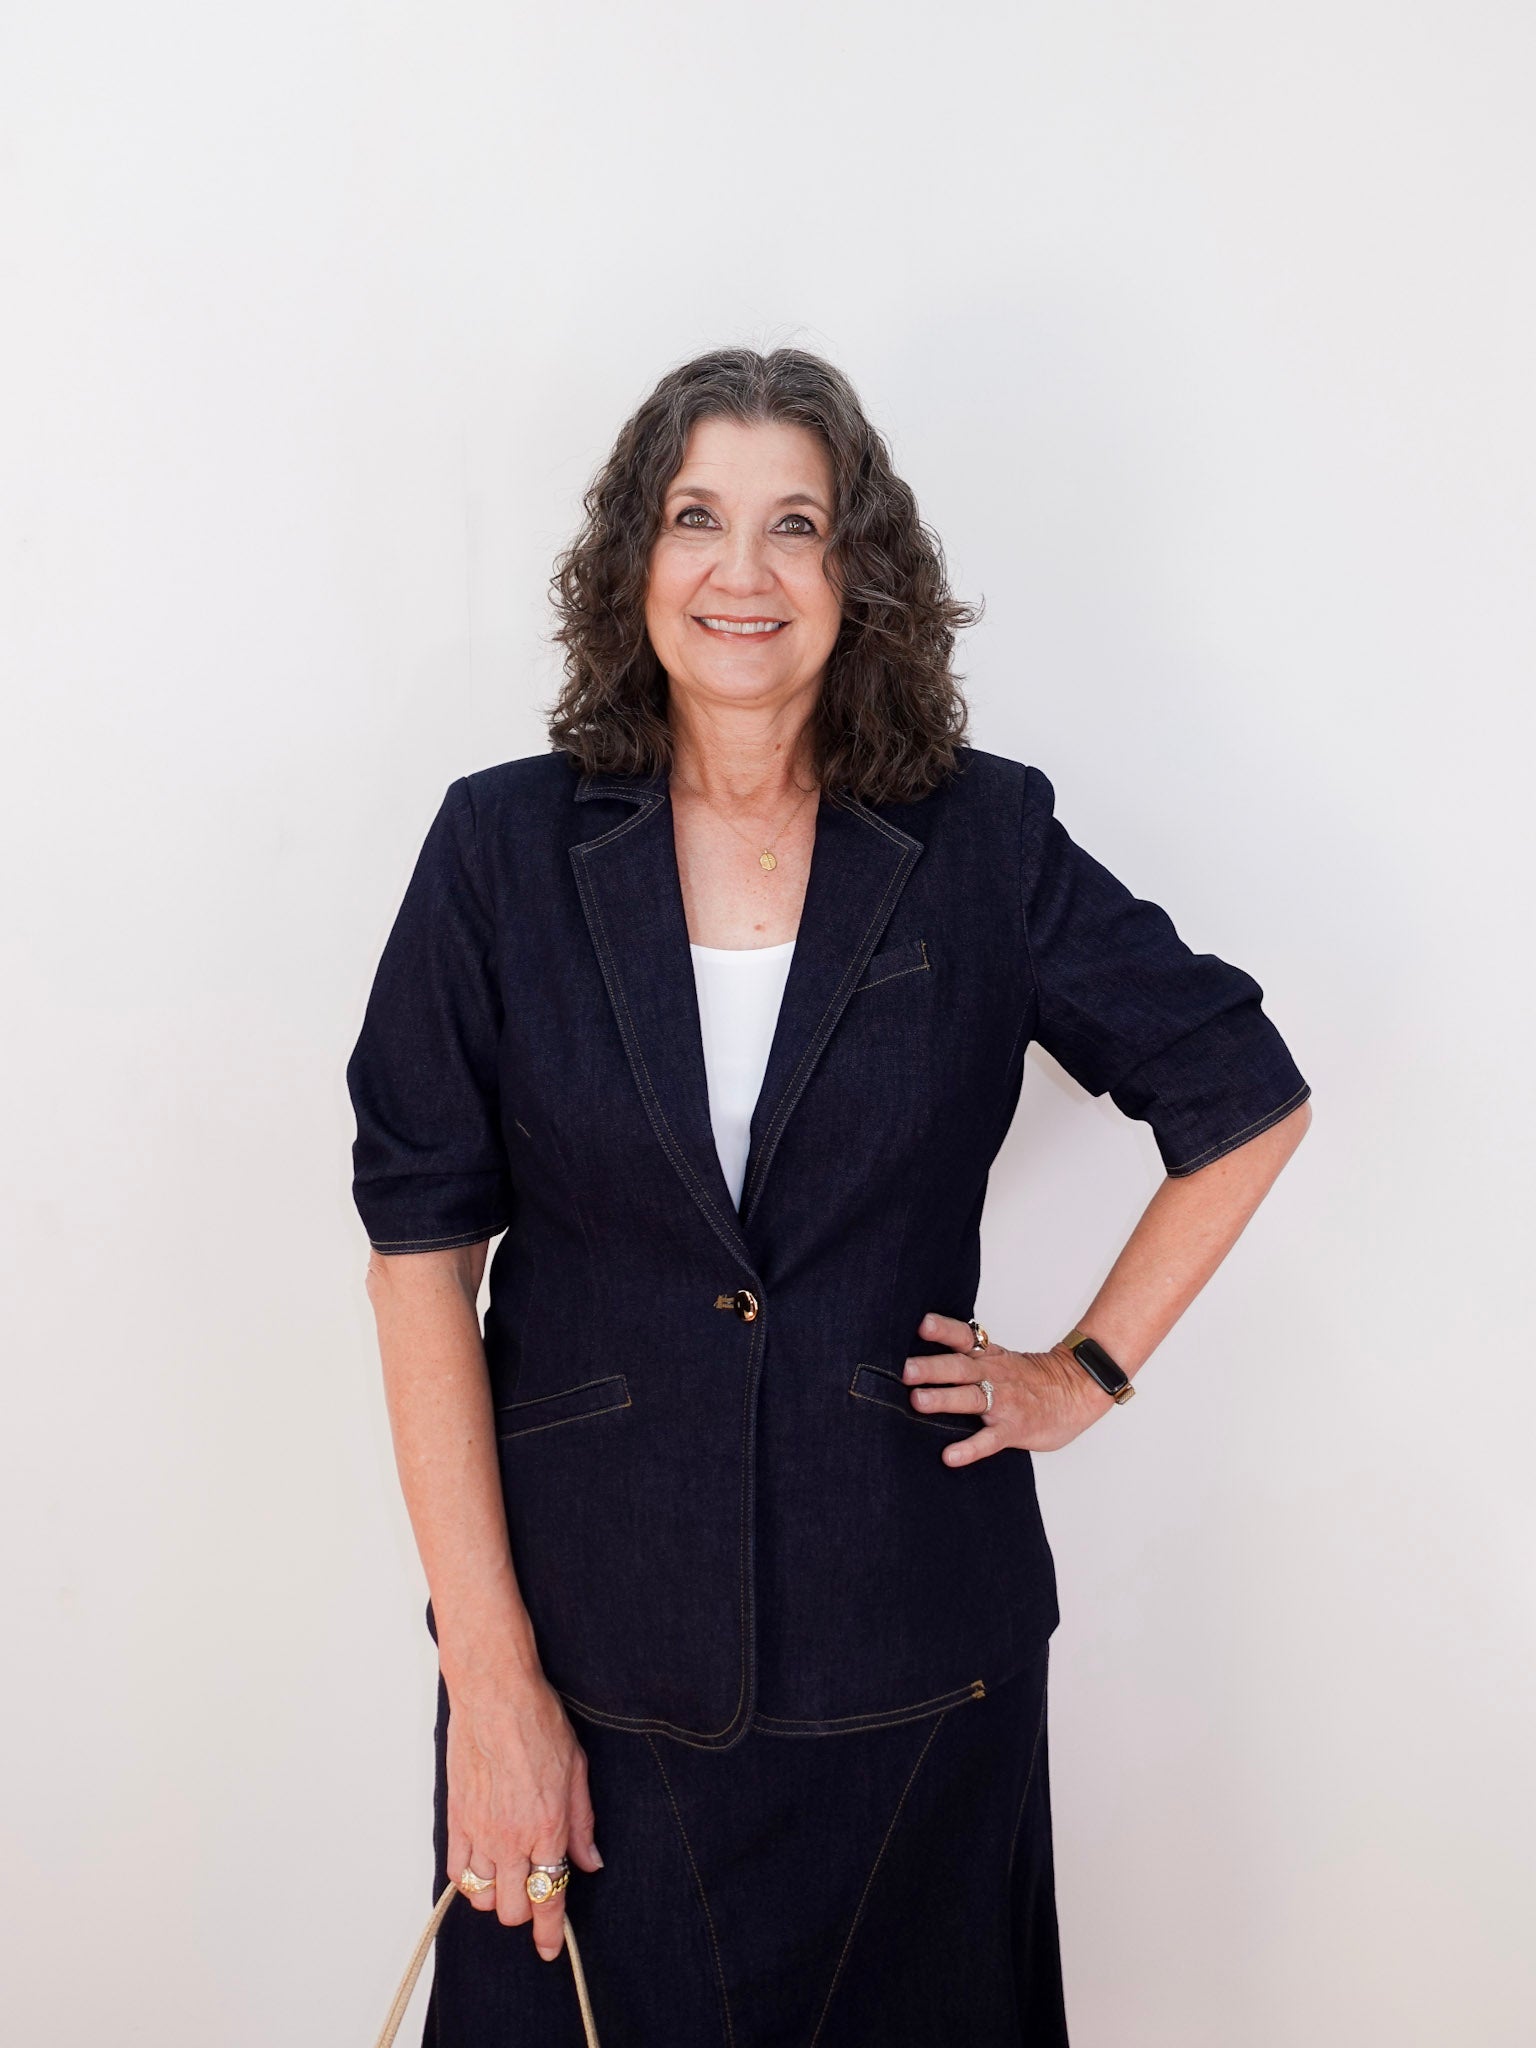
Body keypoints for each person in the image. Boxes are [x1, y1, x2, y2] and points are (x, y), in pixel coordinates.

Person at [345, 346, 1313, 2047]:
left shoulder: (984, 844)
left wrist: (1078, 1374)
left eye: (795, 526)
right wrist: (489, 1687)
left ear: (857, 576)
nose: (742, 570)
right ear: (632, 562)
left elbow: (1240, 1093)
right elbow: (420, 1260)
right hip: (581, 1678)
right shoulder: (497, 854)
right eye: (696, 516)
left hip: (916, 1671)